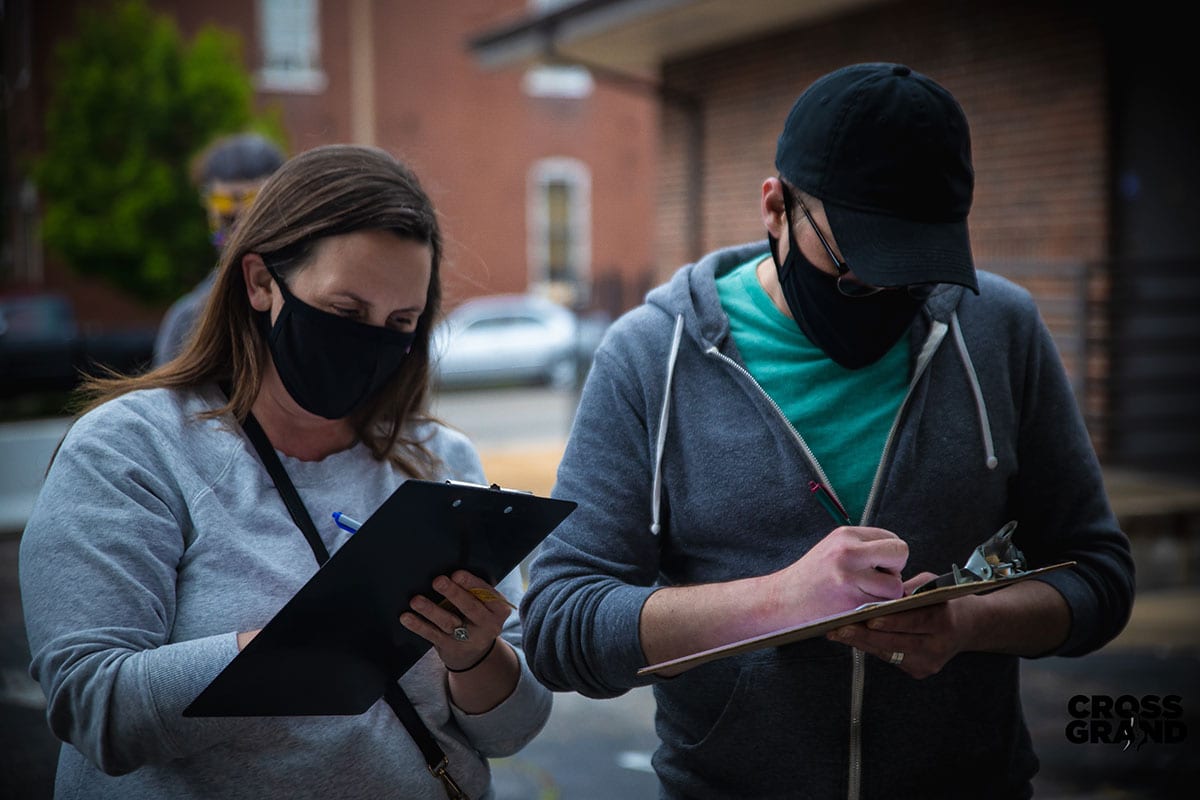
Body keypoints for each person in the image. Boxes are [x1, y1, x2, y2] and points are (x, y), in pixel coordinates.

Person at [519, 62, 1134, 798]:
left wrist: (969, 624)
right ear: (775, 207)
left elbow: (1100, 576)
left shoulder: (1000, 330)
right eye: (855, 269)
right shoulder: (651, 356)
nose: (884, 298)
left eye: (915, 276)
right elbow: (557, 624)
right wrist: (775, 601)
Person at [20, 144, 552, 799]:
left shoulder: (443, 463)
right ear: (261, 282)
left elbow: (514, 729)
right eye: (346, 312)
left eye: (401, 322)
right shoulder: (131, 450)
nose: (371, 341)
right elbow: (93, 711)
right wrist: (284, 649)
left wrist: (471, 653)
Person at [152, 132, 285, 366]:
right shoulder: (192, 318)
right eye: (226, 215)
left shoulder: (312, 297)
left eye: (253, 208)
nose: (239, 229)